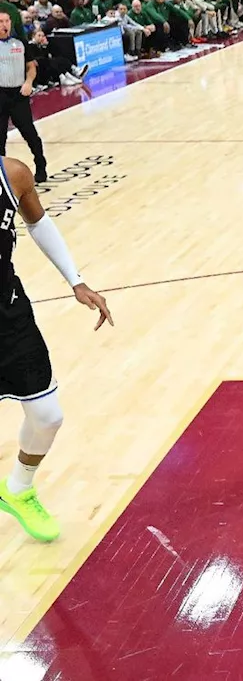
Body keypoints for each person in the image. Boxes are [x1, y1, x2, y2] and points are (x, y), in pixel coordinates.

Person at [0, 156, 113, 542]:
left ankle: (18, 488)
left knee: (47, 416)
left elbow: (38, 222)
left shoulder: (11, 173)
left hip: (8, 313)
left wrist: (75, 280)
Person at [0, 12, 47, 183]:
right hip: (1, 94)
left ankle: (41, 165)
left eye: (6, 21)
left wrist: (28, 82)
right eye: (0, 22)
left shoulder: (20, 44)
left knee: (29, 133)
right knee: (0, 138)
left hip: (19, 94)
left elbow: (31, 67)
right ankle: (2, 177)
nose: (4, 25)